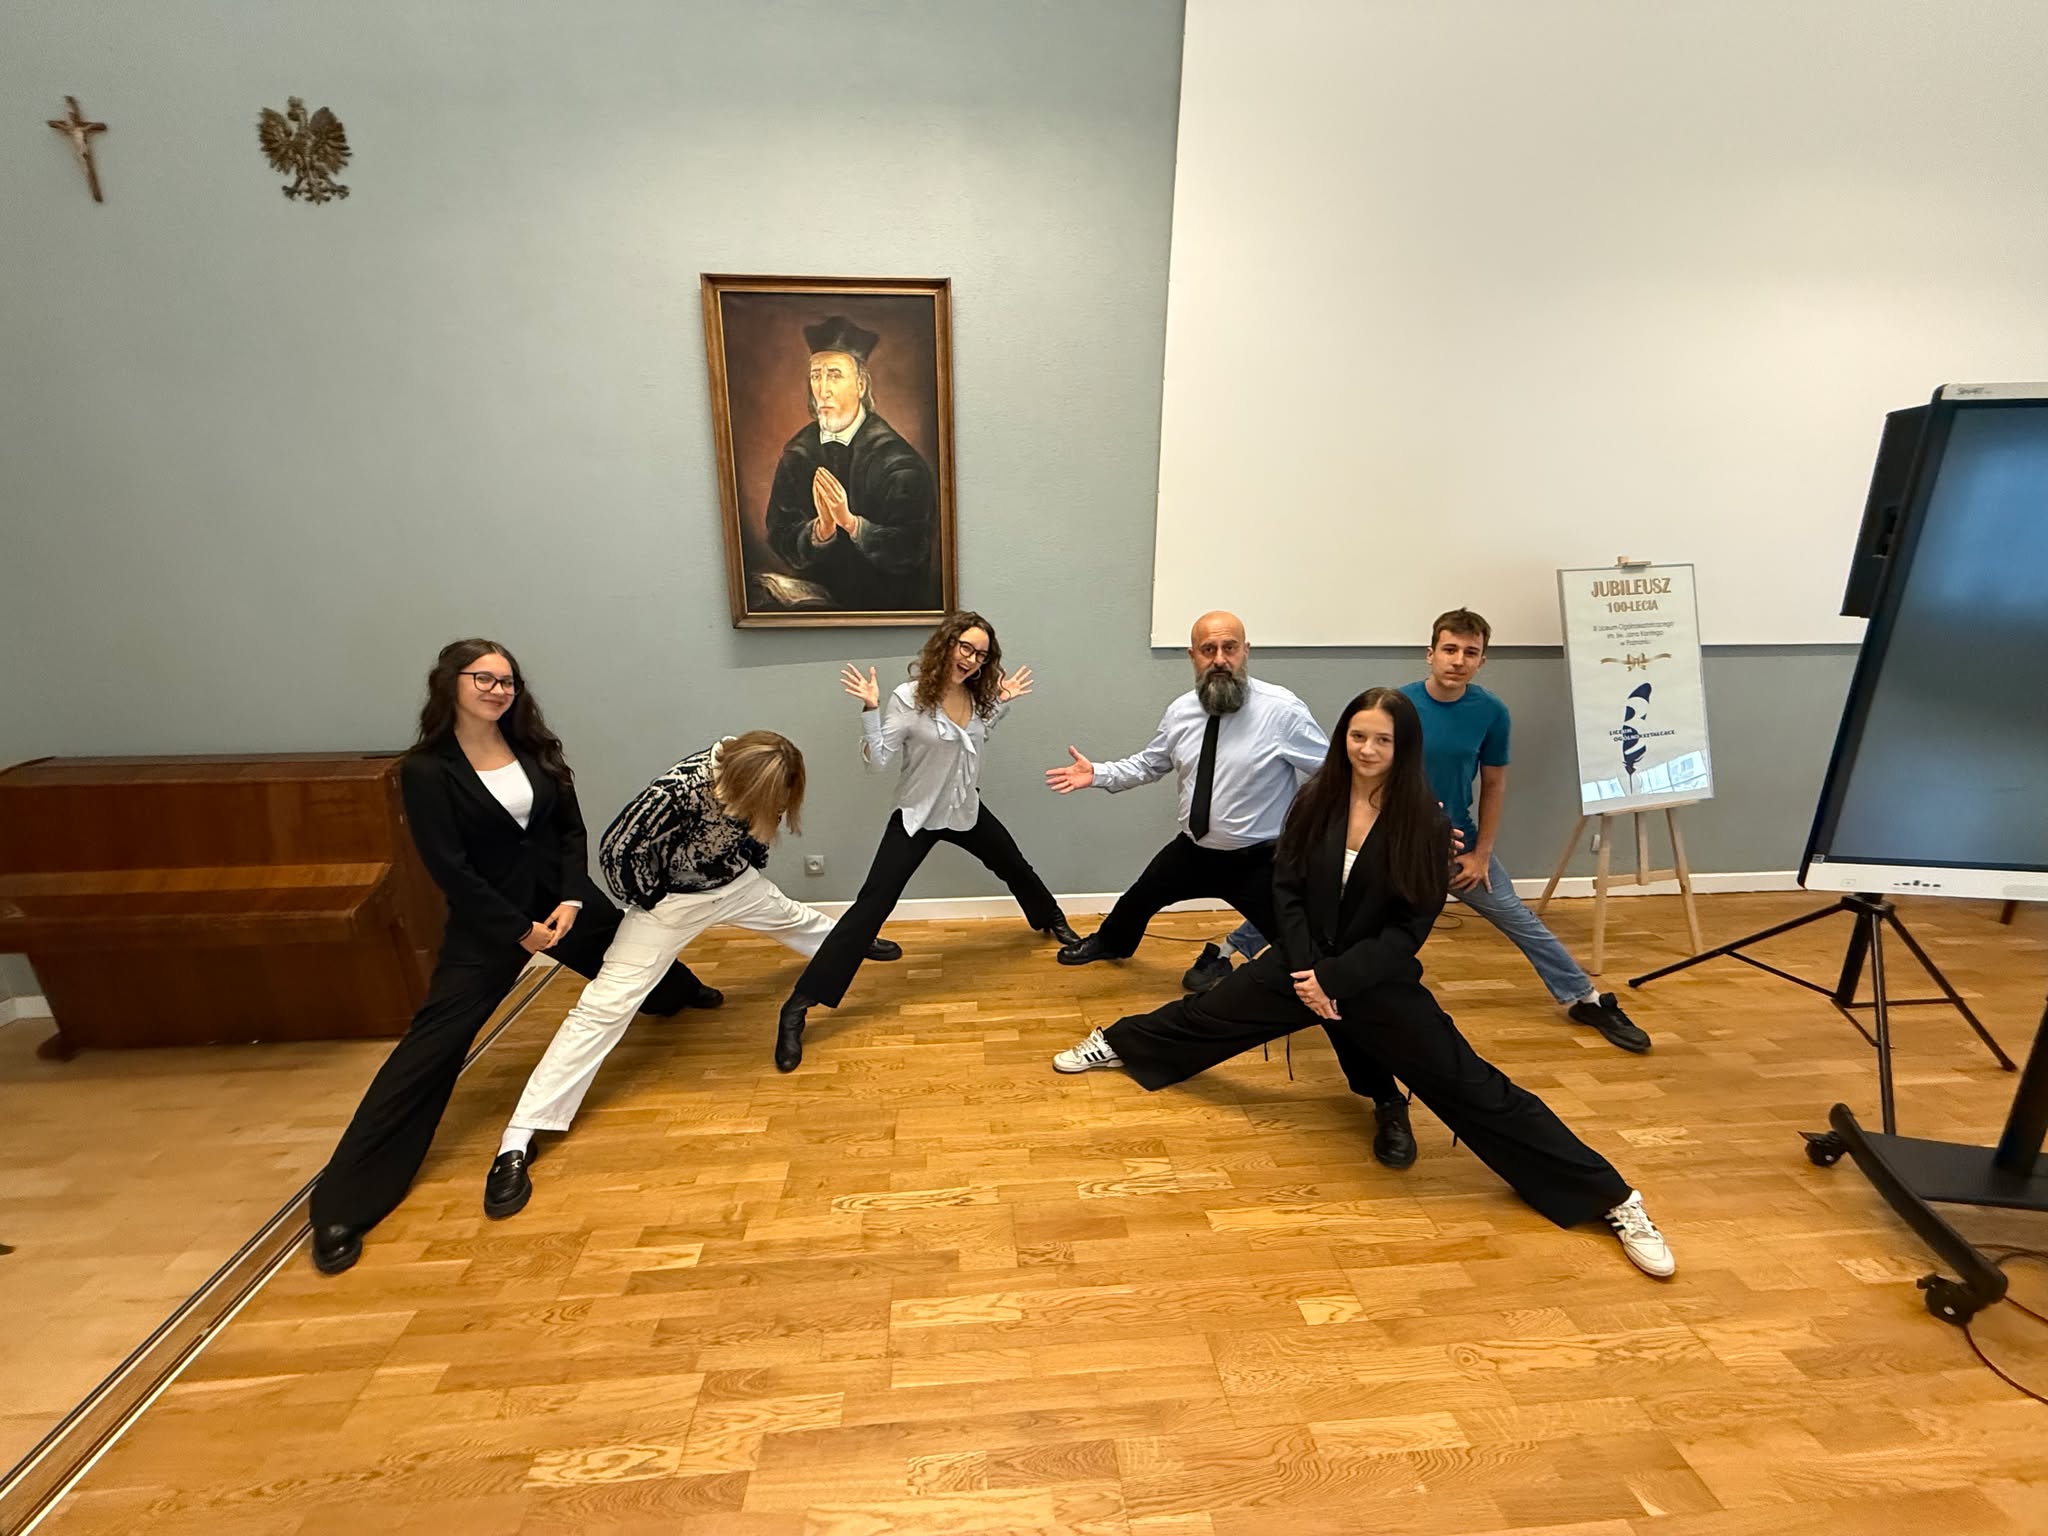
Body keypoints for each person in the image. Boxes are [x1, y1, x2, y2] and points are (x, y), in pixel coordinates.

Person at [1051, 688, 1676, 1278]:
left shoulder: (1427, 824)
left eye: (1382, 740)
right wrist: (1306, 971)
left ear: (1404, 748)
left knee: (1475, 1087)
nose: (1367, 750)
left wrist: (1332, 981)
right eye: (1357, 736)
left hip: (1375, 980)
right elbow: (1287, 891)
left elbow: (1408, 930)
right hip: (1300, 964)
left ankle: (1613, 1199)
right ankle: (1116, 1041)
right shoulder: (1316, 800)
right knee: (1206, 1016)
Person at [309, 639, 719, 1275]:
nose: (498, 690)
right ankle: (344, 1204)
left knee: (633, 958)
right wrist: (516, 929)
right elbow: (449, 866)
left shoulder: (535, 748)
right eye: (484, 679)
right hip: (490, 922)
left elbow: (570, 830)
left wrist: (570, 898)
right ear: (450, 683)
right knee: (431, 1047)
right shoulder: (426, 769)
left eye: (507, 681)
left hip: (562, 903)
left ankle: (678, 993)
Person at [1045, 610, 1419, 1167]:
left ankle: (1384, 1096)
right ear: (1193, 657)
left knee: (1313, 970)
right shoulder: (1181, 711)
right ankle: (1113, 943)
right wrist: (1097, 773)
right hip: (1195, 850)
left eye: (1229, 647)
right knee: (1139, 899)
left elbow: (1340, 776)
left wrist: (1406, 817)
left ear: (1246, 651)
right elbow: (1151, 763)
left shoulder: (1282, 711)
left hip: (1262, 862)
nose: (1219, 659)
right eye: (1207, 649)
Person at [482, 731, 900, 1217]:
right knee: (603, 1007)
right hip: (672, 903)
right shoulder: (676, 790)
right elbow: (617, 851)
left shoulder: (770, 776)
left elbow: (758, 832)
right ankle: (519, 1136)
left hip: (736, 885)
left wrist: (746, 863)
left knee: (792, 916)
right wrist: (653, 898)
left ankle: (847, 944)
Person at [1208, 609, 1651, 1052]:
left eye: (1470, 653)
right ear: (1430, 653)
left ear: (1482, 661)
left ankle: (1586, 999)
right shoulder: (1397, 708)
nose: (1458, 660)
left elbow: (1494, 785)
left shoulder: (1492, 713)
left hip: (1455, 847)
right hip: (1384, 845)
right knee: (1312, 900)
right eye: (1449, 649)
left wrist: (1481, 854)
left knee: (1519, 918)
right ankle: (1226, 953)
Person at [774, 612, 1080, 1071]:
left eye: (981, 654)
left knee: (1014, 865)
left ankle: (1050, 917)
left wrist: (1003, 701)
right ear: (947, 644)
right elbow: (879, 760)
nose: (972, 660)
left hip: (964, 809)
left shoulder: (977, 698)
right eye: (965, 648)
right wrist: (870, 710)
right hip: (917, 817)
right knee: (872, 905)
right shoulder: (909, 698)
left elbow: (980, 731)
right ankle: (798, 1006)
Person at [761, 314, 940, 614]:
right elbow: (779, 532)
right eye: (816, 376)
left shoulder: (898, 461)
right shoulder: (797, 453)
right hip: (812, 611)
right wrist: (820, 531)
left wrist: (851, 524)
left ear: (860, 384)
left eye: (834, 375)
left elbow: (912, 547)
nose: (823, 390)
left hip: (885, 610)